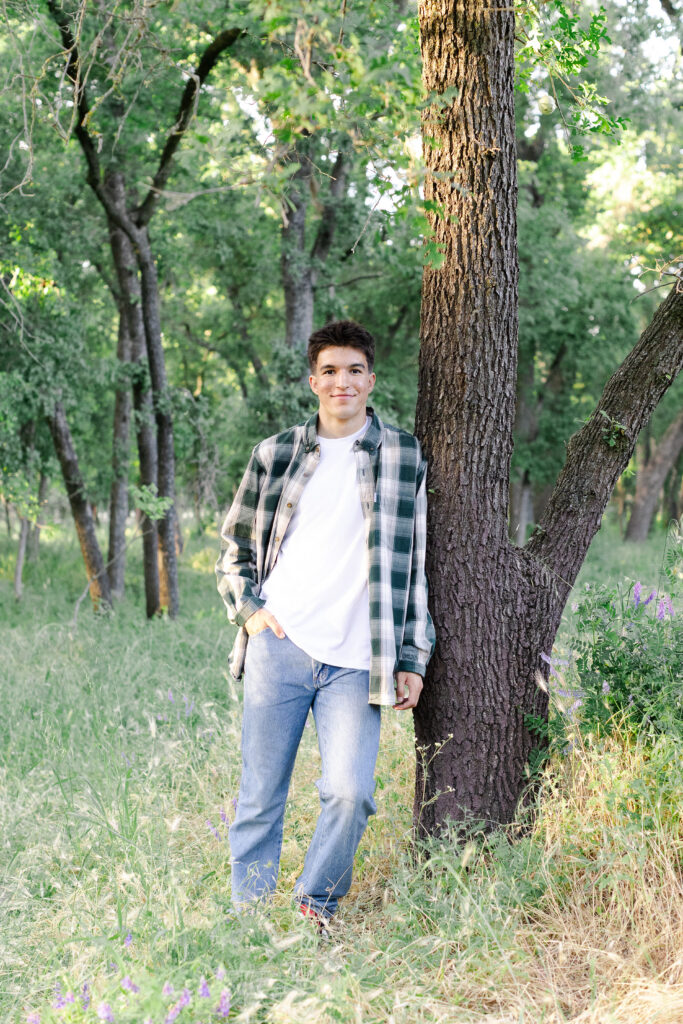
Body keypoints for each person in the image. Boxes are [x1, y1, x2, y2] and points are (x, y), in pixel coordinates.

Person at [215, 319, 435, 927]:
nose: (343, 381)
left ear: (371, 379)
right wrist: (252, 613)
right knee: (261, 796)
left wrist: (413, 658)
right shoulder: (276, 453)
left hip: (358, 660)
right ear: (314, 380)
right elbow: (234, 547)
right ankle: (250, 919)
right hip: (280, 648)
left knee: (350, 794)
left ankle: (316, 904)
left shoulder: (405, 456)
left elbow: (414, 564)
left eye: (355, 370)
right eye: (331, 371)